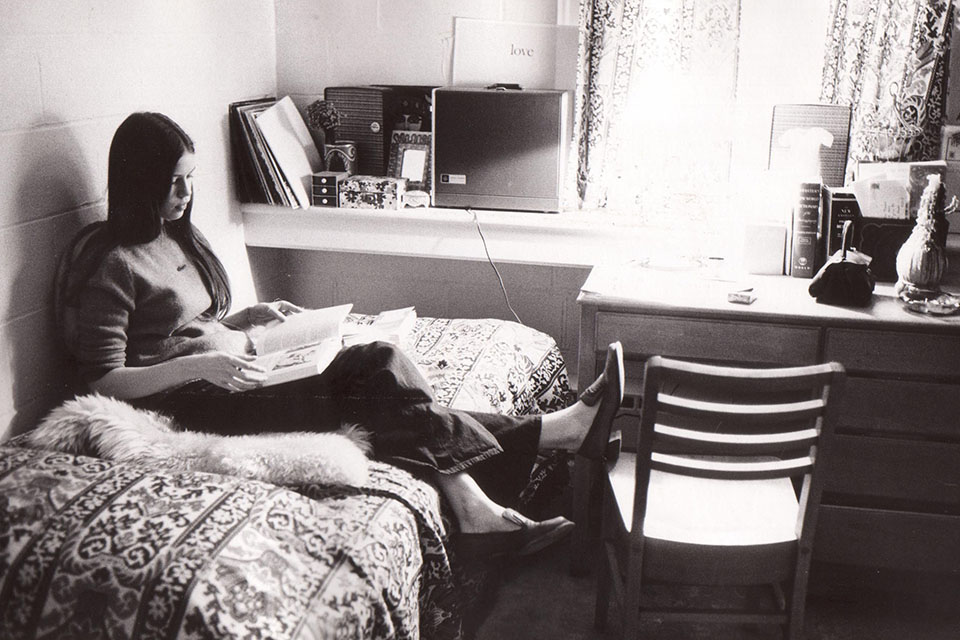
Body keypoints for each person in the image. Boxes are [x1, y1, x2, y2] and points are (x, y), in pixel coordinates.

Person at [60, 112, 625, 559]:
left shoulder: (176, 236)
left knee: (390, 389)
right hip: (194, 405)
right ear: (139, 182)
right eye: (173, 182)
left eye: (189, 180)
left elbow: (192, 328)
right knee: (377, 363)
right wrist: (196, 367)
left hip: (236, 373)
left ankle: (534, 455)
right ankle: (534, 453)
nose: (185, 193)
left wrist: (246, 319)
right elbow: (104, 378)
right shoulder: (112, 264)